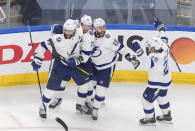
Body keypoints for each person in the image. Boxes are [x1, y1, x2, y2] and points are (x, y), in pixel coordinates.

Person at [31, 18, 94, 119]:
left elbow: (86, 53)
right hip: (60, 65)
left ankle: (80, 106)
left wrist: (78, 60)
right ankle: (43, 107)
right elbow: (42, 46)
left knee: (84, 85)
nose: (68, 33)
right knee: (50, 89)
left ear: (74, 30)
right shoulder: (56, 37)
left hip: (75, 64)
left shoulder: (79, 31)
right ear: (63, 29)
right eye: (66, 30)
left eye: (70, 30)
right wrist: (38, 60)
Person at [88, 18, 140, 120]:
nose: (102, 30)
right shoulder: (90, 36)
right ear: (94, 28)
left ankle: (95, 109)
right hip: (93, 65)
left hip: (106, 67)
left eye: (103, 27)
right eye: (99, 28)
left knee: (101, 89)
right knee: (90, 85)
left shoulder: (109, 38)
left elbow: (122, 49)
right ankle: (93, 101)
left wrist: (131, 58)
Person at [130, 19, 172, 125]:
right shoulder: (165, 46)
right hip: (166, 80)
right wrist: (160, 27)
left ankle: (149, 118)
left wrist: (138, 50)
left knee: (145, 99)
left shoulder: (154, 58)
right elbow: (163, 36)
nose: (149, 48)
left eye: (150, 47)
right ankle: (167, 115)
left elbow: (145, 61)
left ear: (154, 48)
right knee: (162, 97)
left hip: (157, 83)